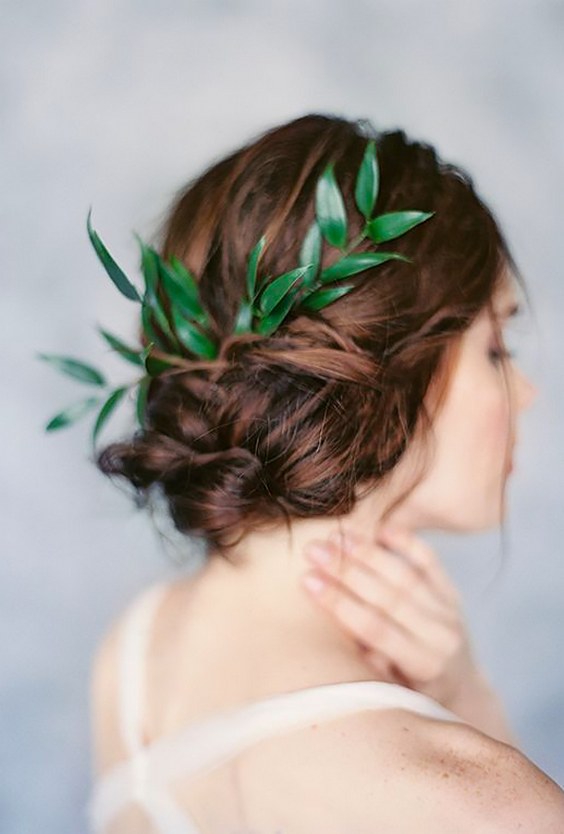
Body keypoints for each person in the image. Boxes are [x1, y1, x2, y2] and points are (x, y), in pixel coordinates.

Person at [86, 114, 564, 832]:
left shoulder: (130, 662)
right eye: (496, 348)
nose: (526, 392)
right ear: (385, 369)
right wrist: (478, 713)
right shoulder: (473, 801)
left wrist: (459, 690)